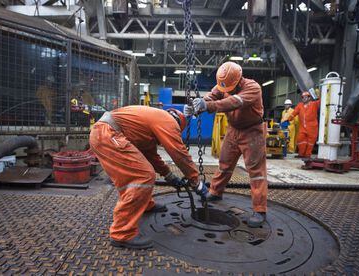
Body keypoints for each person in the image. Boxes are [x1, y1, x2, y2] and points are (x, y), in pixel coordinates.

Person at [89, 106, 199, 249]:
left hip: (104, 134)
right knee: (143, 176)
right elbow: (179, 153)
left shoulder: (149, 124)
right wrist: (195, 180)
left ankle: (145, 205)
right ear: (178, 124)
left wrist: (170, 176)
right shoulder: (168, 121)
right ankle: (122, 233)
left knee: (132, 176)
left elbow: (152, 157)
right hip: (108, 135)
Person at [185, 61, 267, 228]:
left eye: (229, 89)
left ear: (238, 81)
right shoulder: (223, 86)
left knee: (256, 171)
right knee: (224, 163)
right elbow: (211, 96)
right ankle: (215, 192)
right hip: (233, 130)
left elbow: (234, 102)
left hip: (252, 132)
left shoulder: (253, 88)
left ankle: (260, 210)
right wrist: (198, 105)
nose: (226, 92)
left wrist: (207, 106)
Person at [288, 91, 320, 158]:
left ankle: (307, 155)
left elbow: (321, 101)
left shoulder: (314, 104)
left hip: (312, 128)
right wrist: (289, 119)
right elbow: (294, 112)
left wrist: (318, 95)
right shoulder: (300, 105)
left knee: (310, 142)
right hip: (302, 127)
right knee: (300, 139)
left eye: (306, 97)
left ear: (309, 98)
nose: (304, 98)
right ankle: (301, 154)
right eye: (303, 97)